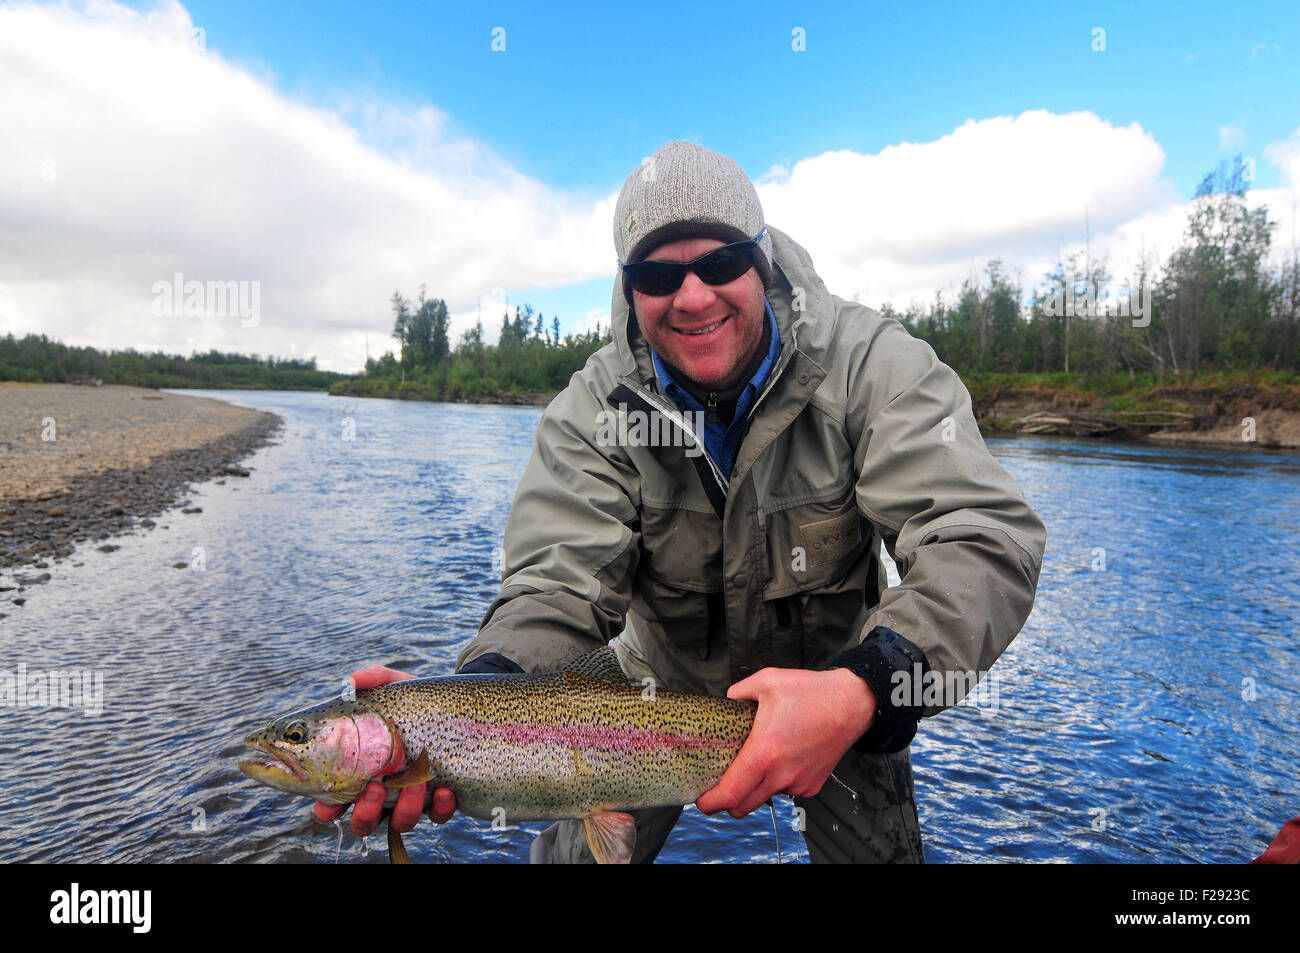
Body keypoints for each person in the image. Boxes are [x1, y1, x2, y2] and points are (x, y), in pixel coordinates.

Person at [319, 140, 1047, 863]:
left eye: (722, 262)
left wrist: (865, 688)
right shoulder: (591, 410)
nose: (693, 295)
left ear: (759, 261)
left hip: (840, 684)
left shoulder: (871, 364)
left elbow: (980, 536)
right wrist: (480, 693)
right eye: (659, 274)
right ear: (630, 286)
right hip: (641, 698)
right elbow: (554, 583)